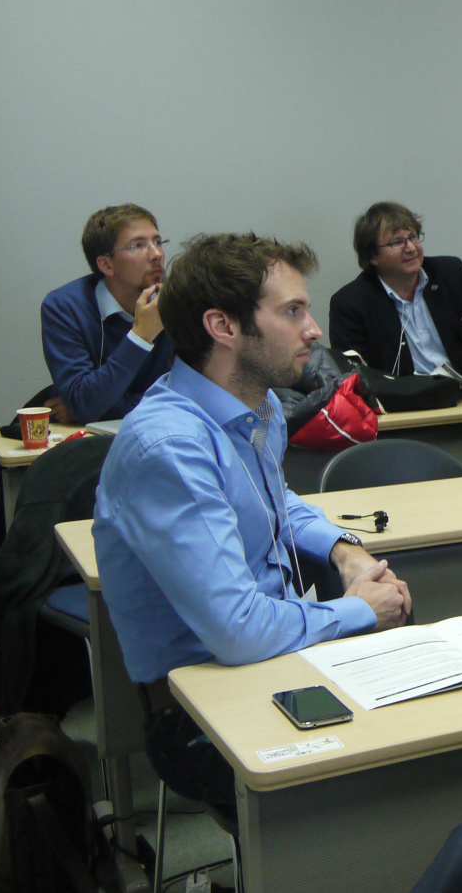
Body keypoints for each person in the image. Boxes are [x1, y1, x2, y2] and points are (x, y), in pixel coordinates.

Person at [94, 233, 411, 816]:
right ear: (223, 326)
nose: (313, 330)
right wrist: (359, 609)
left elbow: (275, 501)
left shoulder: (256, 406)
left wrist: (346, 552)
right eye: (292, 312)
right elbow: (237, 629)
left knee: (433, 724)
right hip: (202, 701)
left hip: (279, 658)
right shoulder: (170, 446)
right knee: (382, 788)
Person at [327, 201, 462, 376]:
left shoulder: (450, 274)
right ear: (372, 255)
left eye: (413, 237)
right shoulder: (350, 304)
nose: (411, 248)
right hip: (401, 395)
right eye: (397, 242)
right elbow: (355, 376)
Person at [40, 204, 175, 423]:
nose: (157, 254)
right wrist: (140, 337)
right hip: (86, 438)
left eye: (158, 242)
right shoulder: (65, 307)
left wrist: (101, 409)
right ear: (106, 264)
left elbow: (191, 396)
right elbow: (83, 403)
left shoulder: (179, 300)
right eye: (138, 245)